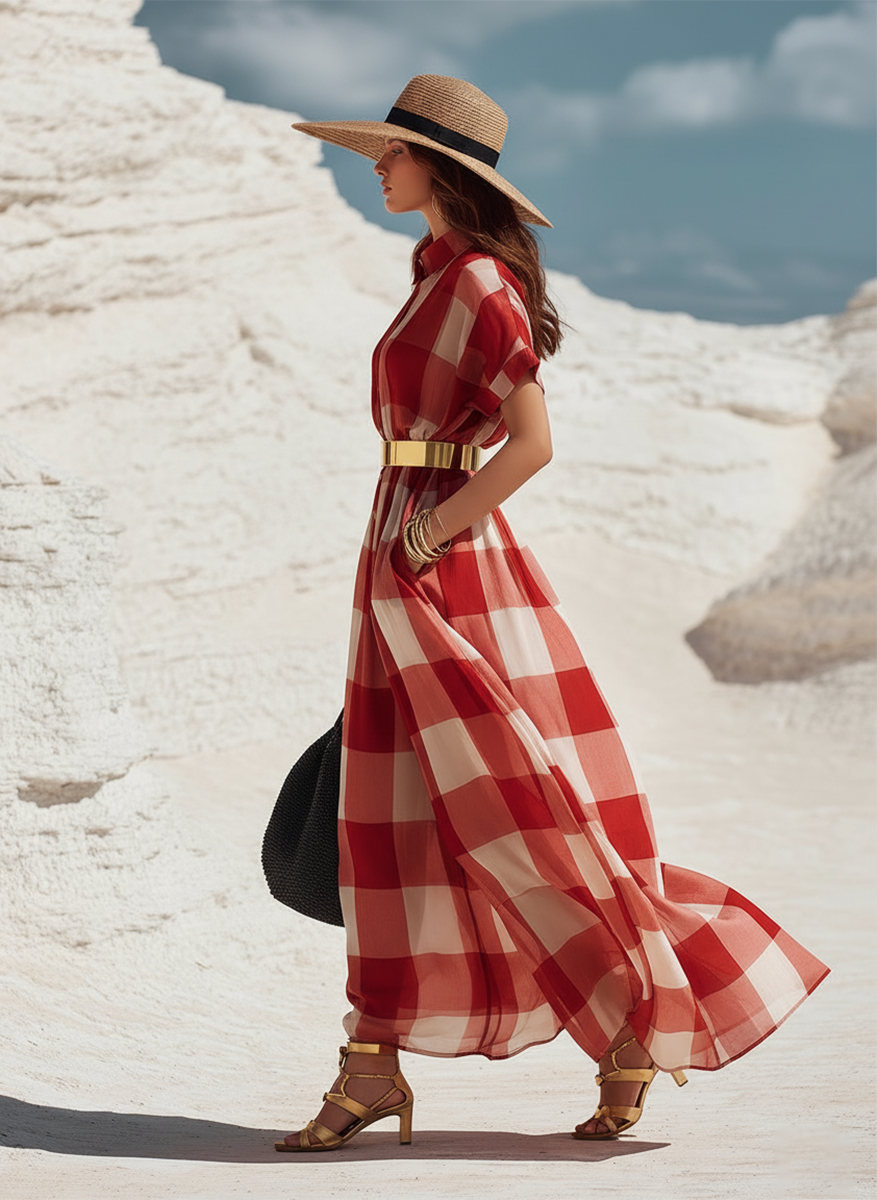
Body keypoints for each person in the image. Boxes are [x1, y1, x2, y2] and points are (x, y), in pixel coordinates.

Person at [276, 75, 828, 1153]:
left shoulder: (480, 281)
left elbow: (532, 443)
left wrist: (430, 536)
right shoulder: (432, 269)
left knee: (520, 808)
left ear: (442, 168)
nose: (375, 167)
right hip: (399, 545)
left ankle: (642, 1017)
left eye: (390, 153)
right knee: (393, 814)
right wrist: (407, 536)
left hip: (442, 555)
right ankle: (370, 1064)